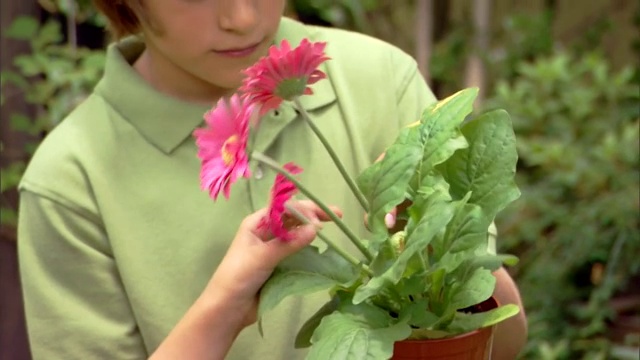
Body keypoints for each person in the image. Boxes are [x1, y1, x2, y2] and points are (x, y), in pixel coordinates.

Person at [17, 1, 527, 359]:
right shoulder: (70, 179)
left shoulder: (380, 80)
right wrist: (225, 304)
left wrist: (443, 253)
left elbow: (502, 342)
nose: (242, 19)